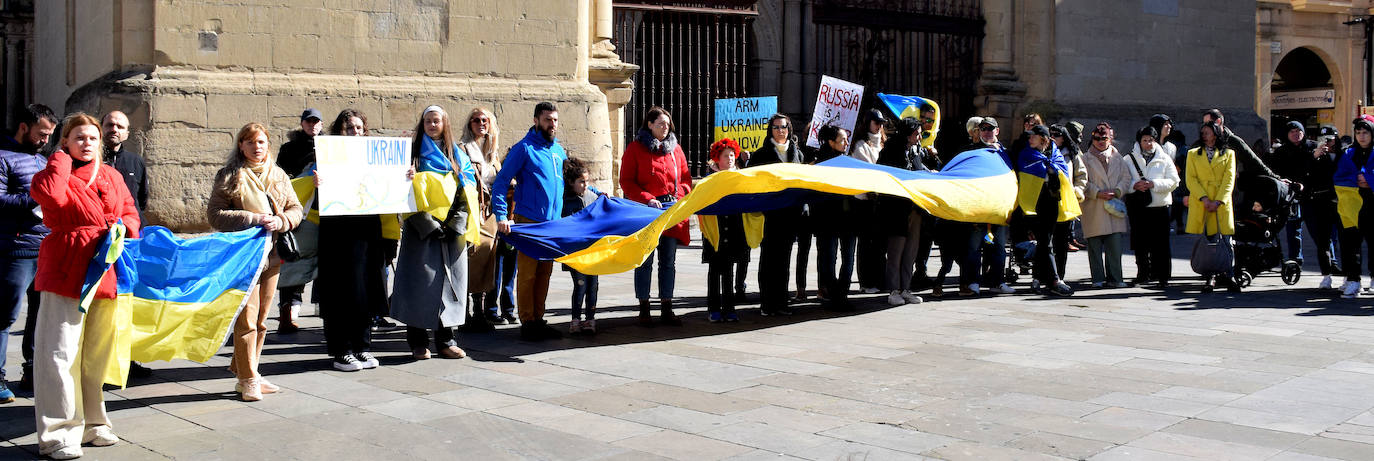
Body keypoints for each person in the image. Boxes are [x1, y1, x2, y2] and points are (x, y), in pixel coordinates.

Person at [29, 112, 140, 459]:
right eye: (78, 137)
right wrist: (59, 159)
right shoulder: (52, 172)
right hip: (65, 267)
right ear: (65, 141)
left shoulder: (111, 174)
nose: (87, 143)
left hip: (105, 269)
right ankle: (57, 433)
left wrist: (124, 230)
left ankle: (94, 423)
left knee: (95, 354)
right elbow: (52, 197)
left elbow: (129, 210)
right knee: (59, 353)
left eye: (92, 137)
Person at [207, 122, 303, 399]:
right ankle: (248, 378)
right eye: (250, 142)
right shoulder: (229, 176)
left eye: (261, 142)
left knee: (262, 320)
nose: (256, 147)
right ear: (241, 145)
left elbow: (296, 208)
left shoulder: (279, 175)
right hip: (243, 257)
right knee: (246, 319)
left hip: (272, 256)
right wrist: (253, 219)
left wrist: (282, 220)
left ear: (267, 145)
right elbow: (214, 215)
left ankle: (249, 371)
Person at [393, 105, 480, 359]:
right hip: (421, 230)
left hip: (452, 231)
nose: (432, 125)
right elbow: (402, 191)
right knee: (419, 285)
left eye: (436, 121)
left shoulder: (457, 155)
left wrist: (455, 222)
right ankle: (418, 341)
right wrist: (427, 224)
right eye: (428, 121)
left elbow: (468, 191)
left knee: (450, 285)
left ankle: (446, 340)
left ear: (445, 124)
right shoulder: (412, 154)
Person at [492, 102, 566, 341]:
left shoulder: (558, 151)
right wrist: (502, 215)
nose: (552, 124)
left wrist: (595, 193)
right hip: (528, 220)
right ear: (536, 121)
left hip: (551, 223)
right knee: (527, 274)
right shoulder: (524, 148)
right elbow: (502, 182)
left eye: (554, 120)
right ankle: (527, 321)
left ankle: (538, 317)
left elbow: (573, 180)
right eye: (547, 120)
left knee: (545, 273)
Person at [0, 103, 56, 402]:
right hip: (14, 249)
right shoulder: (3, 158)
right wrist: (33, 200)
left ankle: (32, 371)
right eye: (42, 134)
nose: (46, 140)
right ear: (24, 127)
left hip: (45, 247)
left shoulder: (42, 161)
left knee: (39, 314)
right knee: (5, 316)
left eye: (50, 135)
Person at [620, 106, 693, 326]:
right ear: (649, 125)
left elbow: (686, 180)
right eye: (660, 123)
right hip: (646, 212)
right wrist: (647, 198)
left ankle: (667, 306)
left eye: (667, 123)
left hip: (670, 212)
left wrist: (679, 196)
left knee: (668, 261)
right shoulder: (635, 149)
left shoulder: (675, 150)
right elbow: (627, 182)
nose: (665, 127)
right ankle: (644, 308)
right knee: (645, 262)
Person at [99, 110, 156, 380]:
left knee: (129, 301)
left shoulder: (135, 161)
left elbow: (141, 200)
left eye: (120, 126)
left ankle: (129, 359)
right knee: (103, 302)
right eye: (109, 124)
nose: (114, 129)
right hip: (99, 242)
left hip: (132, 242)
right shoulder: (92, 159)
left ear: (128, 132)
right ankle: (101, 359)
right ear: (101, 128)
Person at [746, 113, 805, 316]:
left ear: (789, 129)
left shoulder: (797, 153)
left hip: (790, 214)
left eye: (784, 127)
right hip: (770, 214)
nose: (781, 131)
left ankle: (781, 302)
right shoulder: (761, 154)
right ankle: (767, 303)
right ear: (770, 130)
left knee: (784, 260)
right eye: (776, 127)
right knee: (769, 259)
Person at [274, 108, 325, 333]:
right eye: (308, 121)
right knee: (295, 258)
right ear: (302, 123)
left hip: (324, 210)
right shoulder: (289, 149)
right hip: (300, 211)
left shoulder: (330, 147)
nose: (312, 125)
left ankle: (321, 305)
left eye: (316, 121)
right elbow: (283, 178)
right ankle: (288, 307)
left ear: (321, 124)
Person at [1015, 125, 1075, 296]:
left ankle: (1037, 279)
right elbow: (1025, 172)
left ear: (1043, 138)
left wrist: (1050, 170)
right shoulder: (1027, 154)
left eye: (1033, 136)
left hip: (1052, 201)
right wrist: (1046, 170)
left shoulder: (1055, 154)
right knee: (1044, 241)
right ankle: (1055, 280)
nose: (1030, 139)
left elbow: (1061, 172)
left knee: (1044, 242)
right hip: (1034, 202)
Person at [876, 118, 929, 306]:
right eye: (917, 133)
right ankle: (893, 290)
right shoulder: (891, 150)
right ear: (907, 134)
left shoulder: (916, 151)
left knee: (911, 250)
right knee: (896, 251)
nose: (920, 137)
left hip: (914, 209)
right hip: (896, 209)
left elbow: (920, 170)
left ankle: (906, 288)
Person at [458, 107, 503, 331]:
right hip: (472, 210)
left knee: (487, 260)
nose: (480, 124)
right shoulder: (463, 149)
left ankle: (479, 311)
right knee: (471, 259)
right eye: (476, 120)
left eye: (484, 120)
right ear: (470, 124)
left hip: (491, 213)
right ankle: (464, 312)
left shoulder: (492, 154)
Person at [1119, 126, 1180, 287]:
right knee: (1140, 242)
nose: (1148, 143)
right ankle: (1142, 274)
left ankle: (1162, 276)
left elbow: (1174, 181)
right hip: (1138, 206)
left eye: (1151, 140)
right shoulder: (1128, 159)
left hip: (1160, 206)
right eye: (1145, 140)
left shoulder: (1164, 158)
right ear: (1139, 141)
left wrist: (1154, 184)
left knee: (1161, 243)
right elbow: (1123, 181)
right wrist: (1135, 185)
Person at [1185, 121, 1240, 293]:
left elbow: (1229, 179)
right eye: (1203, 132)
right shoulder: (1193, 154)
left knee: (1226, 241)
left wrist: (1218, 201)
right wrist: (1204, 199)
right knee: (1208, 240)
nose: (1204, 135)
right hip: (1203, 202)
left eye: (1207, 132)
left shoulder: (1229, 154)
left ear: (1216, 134)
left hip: (1221, 203)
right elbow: (1190, 179)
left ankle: (1229, 274)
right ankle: (1210, 276)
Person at [811, 126, 859, 310]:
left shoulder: (848, 161)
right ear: (831, 142)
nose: (847, 143)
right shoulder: (819, 165)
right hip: (827, 219)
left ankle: (842, 293)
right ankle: (833, 295)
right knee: (828, 259)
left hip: (848, 218)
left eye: (847, 139)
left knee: (848, 258)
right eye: (843, 140)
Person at [701, 139, 749, 322]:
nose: (729, 159)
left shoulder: (739, 177)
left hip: (734, 228)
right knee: (714, 270)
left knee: (729, 269)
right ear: (717, 159)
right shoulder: (709, 179)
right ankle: (713, 308)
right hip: (716, 229)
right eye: (725, 156)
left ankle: (729, 307)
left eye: (731, 155)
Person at [1080, 123, 1129, 288]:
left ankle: (1116, 278)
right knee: (1094, 246)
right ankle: (1098, 278)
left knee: (1114, 246)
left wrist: (1118, 191)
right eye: (1097, 138)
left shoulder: (1118, 157)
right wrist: (1096, 192)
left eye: (1104, 138)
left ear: (1110, 138)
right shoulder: (1084, 158)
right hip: (1094, 207)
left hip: (1113, 206)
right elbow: (1081, 181)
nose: (1101, 141)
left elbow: (1126, 178)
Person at [562, 157, 603, 333]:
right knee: (580, 285)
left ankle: (590, 319)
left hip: (592, 250)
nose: (585, 185)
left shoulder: (592, 197)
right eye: (581, 182)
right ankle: (576, 319)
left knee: (593, 285)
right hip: (576, 251)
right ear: (571, 182)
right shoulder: (565, 201)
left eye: (587, 181)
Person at [1336, 116, 1374, 298]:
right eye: (1358, 133)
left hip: (1372, 203)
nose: (1362, 136)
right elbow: (1339, 177)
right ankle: (1353, 280)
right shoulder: (1349, 153)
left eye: (1365, 132)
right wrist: (1355, 180)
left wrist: (1369, 180)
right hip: (1353, 206)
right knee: (1352, 244)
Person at [1268, 121, 1315, 266]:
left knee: (1319, 231)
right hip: (1291, 195)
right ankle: (1295, 259)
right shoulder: (1281, 152)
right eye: (1292, 132)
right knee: (1293, 228)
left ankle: (1330, 261)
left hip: (1312, 194)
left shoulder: (1312, 148)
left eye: (1298, 131)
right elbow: (1276, 172)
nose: (1296, 134)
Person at [1304, 125, 1343, 289]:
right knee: (1323, 241)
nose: (1327, 142)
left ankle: (1350, 276)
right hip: (1321, 201)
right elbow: (1306, 174)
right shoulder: (1315, 156)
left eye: (1330, 139)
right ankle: (1326, 275)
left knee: (1346, 240)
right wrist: (1314, 156)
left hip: (1341, 201)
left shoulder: (1344, 155)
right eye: (1323, 139)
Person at [852, 109, 886, 294]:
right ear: (867, 123)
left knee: (879, 243)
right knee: (866, 242)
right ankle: (866, 282)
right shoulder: (860, 146)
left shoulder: (883, 144)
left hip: (880, 199)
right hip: (864, 200)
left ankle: (880, 279)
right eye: (876, 122)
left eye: (881, 123)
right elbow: (869, 171)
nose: (879, 126)